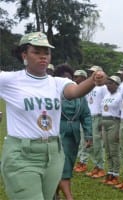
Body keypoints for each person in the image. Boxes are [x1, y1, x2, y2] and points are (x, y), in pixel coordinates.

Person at [0, 32, 106, 200]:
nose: (43, 57)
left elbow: (76, 91)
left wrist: (93, 80)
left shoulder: (57, 82)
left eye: (46, 52)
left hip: (53, 153)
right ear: (24, 54)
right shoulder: (9, 80)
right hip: (22, 154)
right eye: (37, 52)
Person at [53, 64, 93, 200]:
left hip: (74, 135)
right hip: (57, 133)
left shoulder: (80, 96)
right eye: (63, 79)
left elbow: (86, 115)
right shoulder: (52, 94)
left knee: (68, 164)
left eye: (69, 79)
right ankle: (69, 197)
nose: (67, 82)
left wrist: (88, 134)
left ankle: (54, 193)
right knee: (62, 165)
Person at [73, 66, 107, 178]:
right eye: (90, 73)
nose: (92, 74)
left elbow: (105, 103)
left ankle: (100, 167)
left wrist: (103, 121)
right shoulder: (89, 86)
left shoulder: (103, 87)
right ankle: (86, 163)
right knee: (85, 142)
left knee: (97, 144)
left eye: (94, 72)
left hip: (97, 117)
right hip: (87, 117)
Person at [100, 75, 122, 185]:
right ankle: (110, 172)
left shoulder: (120, 96)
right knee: (107, 150)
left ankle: (116, 174)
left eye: (111, 83)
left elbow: (122, 112)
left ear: (117, 85)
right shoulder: (106, 95)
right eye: (107, 83)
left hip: (114, 122)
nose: (108, 85)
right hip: (105, 122)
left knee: (114, 150)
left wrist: (119, 130)